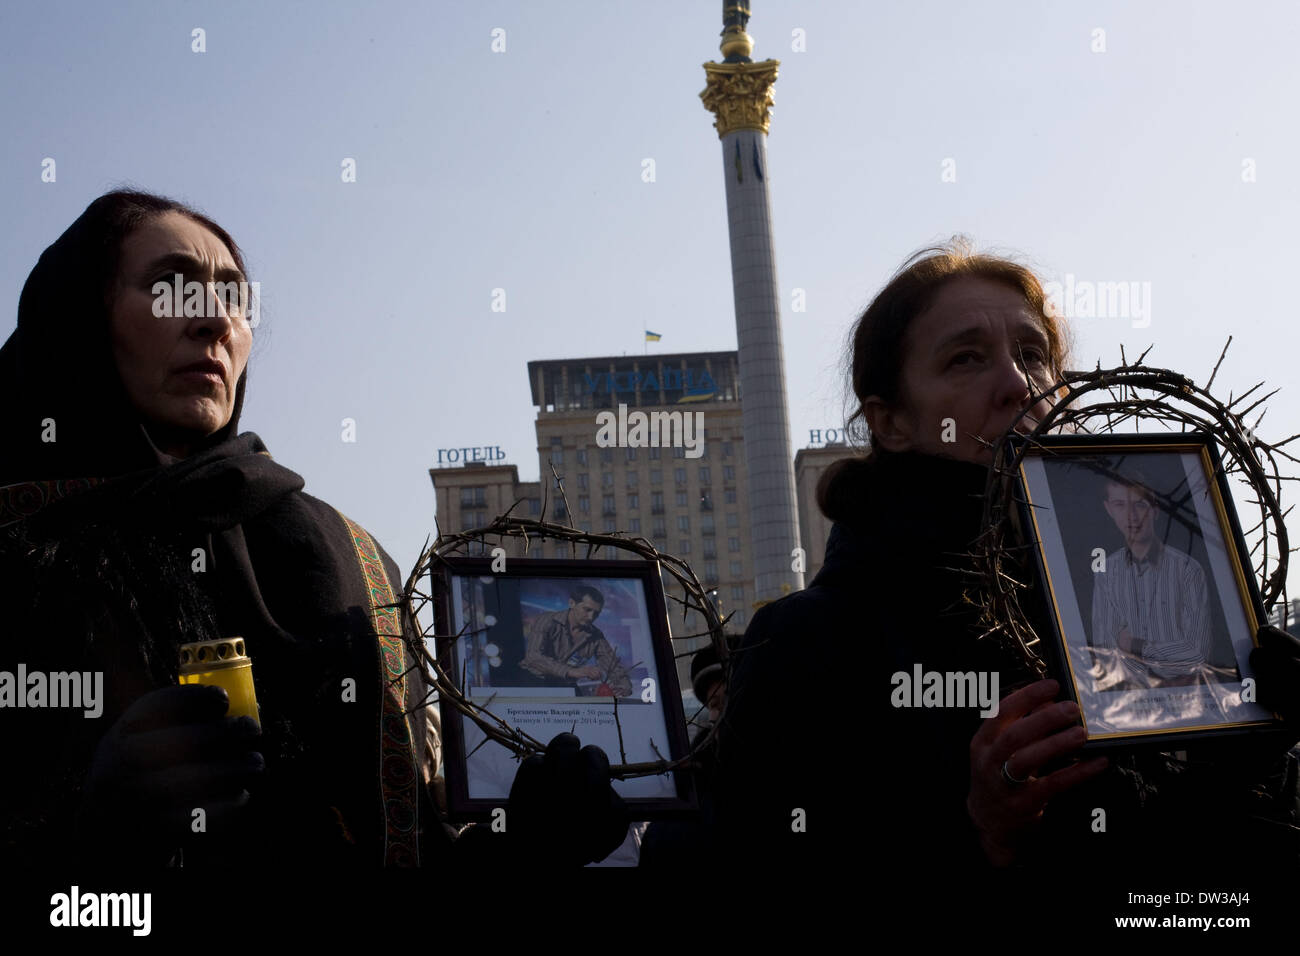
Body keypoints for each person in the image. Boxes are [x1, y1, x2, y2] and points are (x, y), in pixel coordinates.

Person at [0, 191, 626, 869]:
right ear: (79, 317)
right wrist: (87, 838)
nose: (213, 319)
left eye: (235, 298)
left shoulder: (350, 559)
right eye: (169, 285)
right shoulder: (18, 550)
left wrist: (525, 843)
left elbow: (407, 857)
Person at [704, 240, 1300, 886]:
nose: (1017, 384)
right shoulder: (808, 645)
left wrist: (1258, 764)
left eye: (1034, 355)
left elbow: (1194, 898)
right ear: (890, 421)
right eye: (966, 359)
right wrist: (978, 837)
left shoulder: (1125, 598)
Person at [1090, 470, 1216, 689]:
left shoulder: (1188, 570)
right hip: (1132, 703)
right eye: (1120, 505)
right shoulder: (1106, 572)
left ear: (1156, 509)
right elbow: (1106, 652)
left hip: (1187, 700)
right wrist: (1166, 659)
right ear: (1108, 509)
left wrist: (1136, 646)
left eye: (1140, 505)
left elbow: (1197, 653)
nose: (1131, 516)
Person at [520, 584, 633, 697]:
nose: (591, 617)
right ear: (572, 603)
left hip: (565, 685)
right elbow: (533, 657)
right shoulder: (547, 620)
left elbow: (611, 664)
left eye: (596, 613)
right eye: (587, 610)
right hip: (533, 681)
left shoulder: (595, 635)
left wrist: (624, 686)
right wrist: (571, 671)